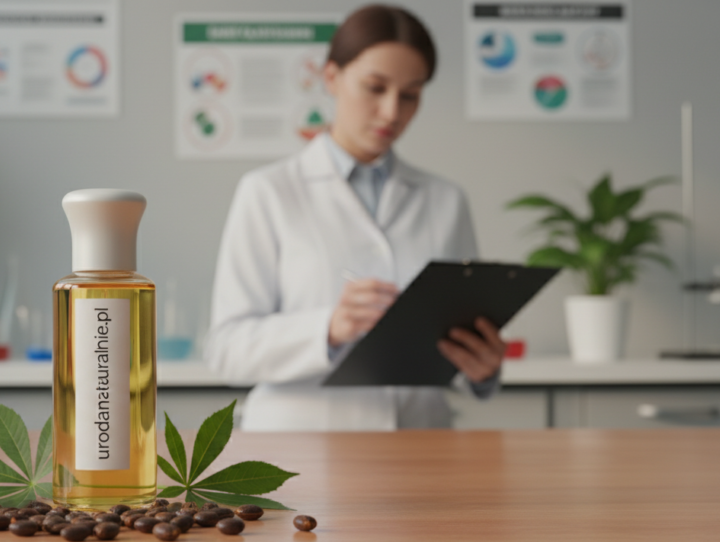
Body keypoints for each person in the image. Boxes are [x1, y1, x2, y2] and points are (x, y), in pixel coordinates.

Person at [204, 4, 506, 431]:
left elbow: (454, 342)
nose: (391, 112)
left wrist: (483, 368)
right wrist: (327, 328)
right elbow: (228, 350)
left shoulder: (445, 200)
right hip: (301, 446)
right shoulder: (269, 191)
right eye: (374, 87)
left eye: (410, 94)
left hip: (420, 442)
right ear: (331, 77)